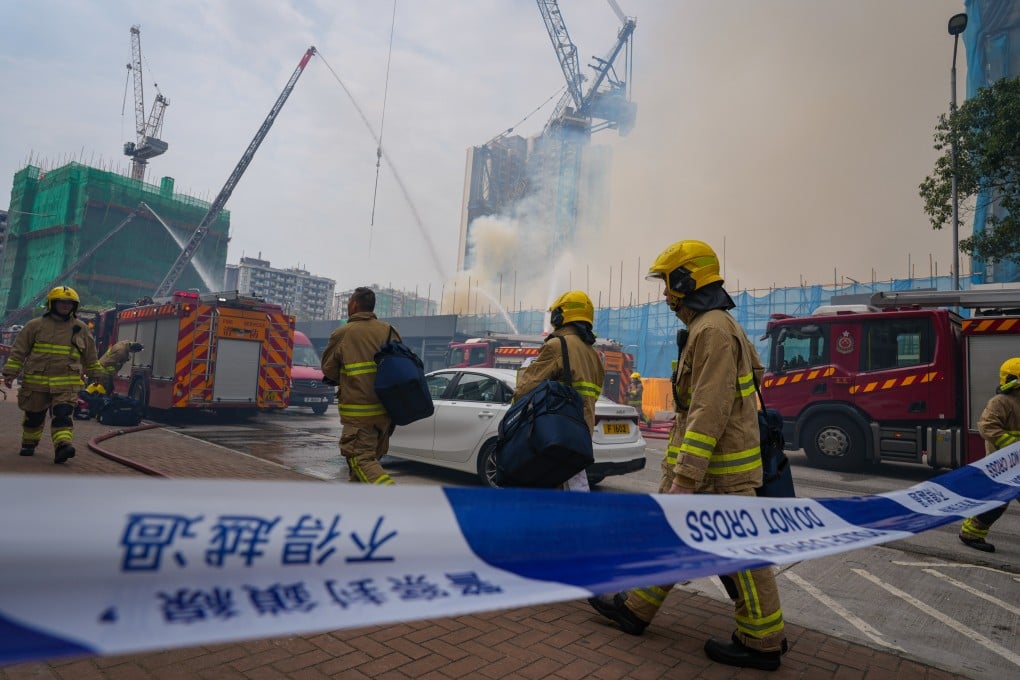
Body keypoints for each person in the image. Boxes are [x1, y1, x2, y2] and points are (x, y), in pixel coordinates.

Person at [587, 240, 788, 672]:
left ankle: (762, 642)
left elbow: (708, 409)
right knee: (670, 537)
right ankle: (636, 609)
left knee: (743, 558)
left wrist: (686, 477)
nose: (665, 296)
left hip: (718, 474)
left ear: (687, 280)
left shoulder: (712, 330)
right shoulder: (715, 326)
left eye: (668, 284)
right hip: (708, 469)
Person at [513, 290, 605, 490]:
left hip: (554, 436)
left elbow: (526, 389)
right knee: (570, 493)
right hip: (581, 436)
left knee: (546, 494)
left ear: (560, 316)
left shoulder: (556, 345)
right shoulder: (594, 354)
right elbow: (593, 396)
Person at [2, 286, 103, 464]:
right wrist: (10, 374)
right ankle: (29, 443)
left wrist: (96, 373)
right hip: (36, 381)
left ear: (75, 306)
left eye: (70, 303)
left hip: (66, 383)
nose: (66, 305)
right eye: (62, 302)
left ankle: (63, 446)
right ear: (52, 303)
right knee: (34, 416)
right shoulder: (34, 326)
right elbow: (19, 351)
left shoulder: (80, 328)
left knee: (63, 414)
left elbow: (91, 354)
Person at [321, 287, 399, 485]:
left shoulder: (344, 333)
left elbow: (329, 370)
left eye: (348, 303)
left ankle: (396, 501)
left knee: (360, 460)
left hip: (360, 417)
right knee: (361, 474)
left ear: (354, 305)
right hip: (386, 416)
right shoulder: (389, 331)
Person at [957, 357, 1020, 553]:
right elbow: (987, 427)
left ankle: (971, 532)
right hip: (1002, 462)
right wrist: (1013, 445)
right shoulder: (1000, 402)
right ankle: (970, 533)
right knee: (997, 501)